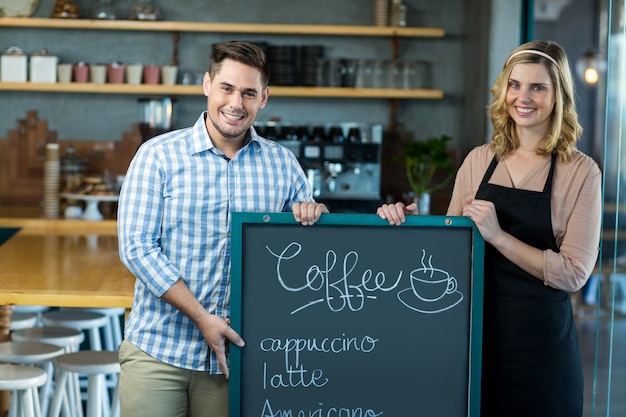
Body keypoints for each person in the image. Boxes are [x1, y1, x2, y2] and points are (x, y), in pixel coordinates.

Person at [377, 40, 601, 416]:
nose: (523, 97)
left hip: (542, 360)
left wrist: (498, 236)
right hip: (474, 345)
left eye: (538, 87)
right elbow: (452, 251)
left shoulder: (580, 171)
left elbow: (573, 272)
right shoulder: (480, 160)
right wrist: (413, 225)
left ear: (559, 94)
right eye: (515, 85)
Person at [117, 40, 328, 417]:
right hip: (158, 351)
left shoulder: (283, 165)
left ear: (264, 98)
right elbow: (137, 247)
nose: (236, 103)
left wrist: (312, 220)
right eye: (227, 88)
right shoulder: (158, 155)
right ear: (207, 85)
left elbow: (302, 263)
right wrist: (202, 316)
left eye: (249, 93)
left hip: (236, 358)